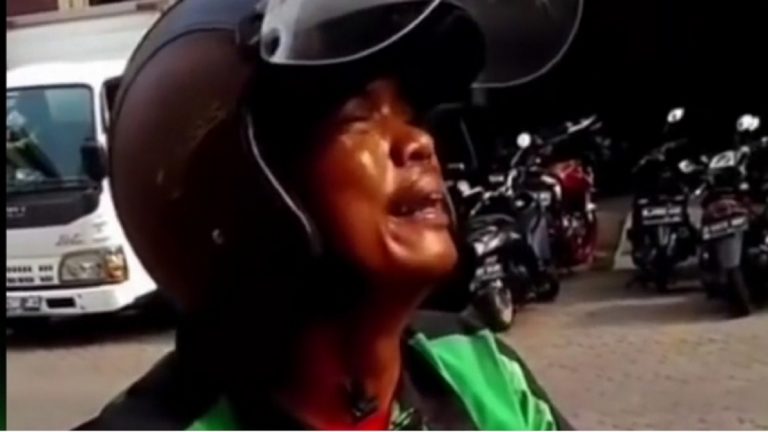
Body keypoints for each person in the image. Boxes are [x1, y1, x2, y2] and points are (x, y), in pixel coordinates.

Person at [80, 0, 581, 429]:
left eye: (412, 115)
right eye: (358, 116)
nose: (419, 142)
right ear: (251, 191)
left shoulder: (477, 370)